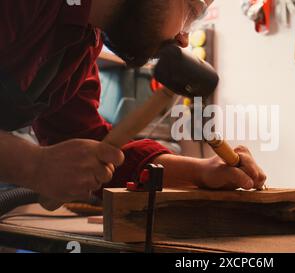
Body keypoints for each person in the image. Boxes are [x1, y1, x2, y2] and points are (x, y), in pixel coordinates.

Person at [0, 0, 266, 204]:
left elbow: (93, 147)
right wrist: (34, 165)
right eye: (192, 13)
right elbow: (46, 163)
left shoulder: (82, 43)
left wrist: (199, 172)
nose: (184, 39)